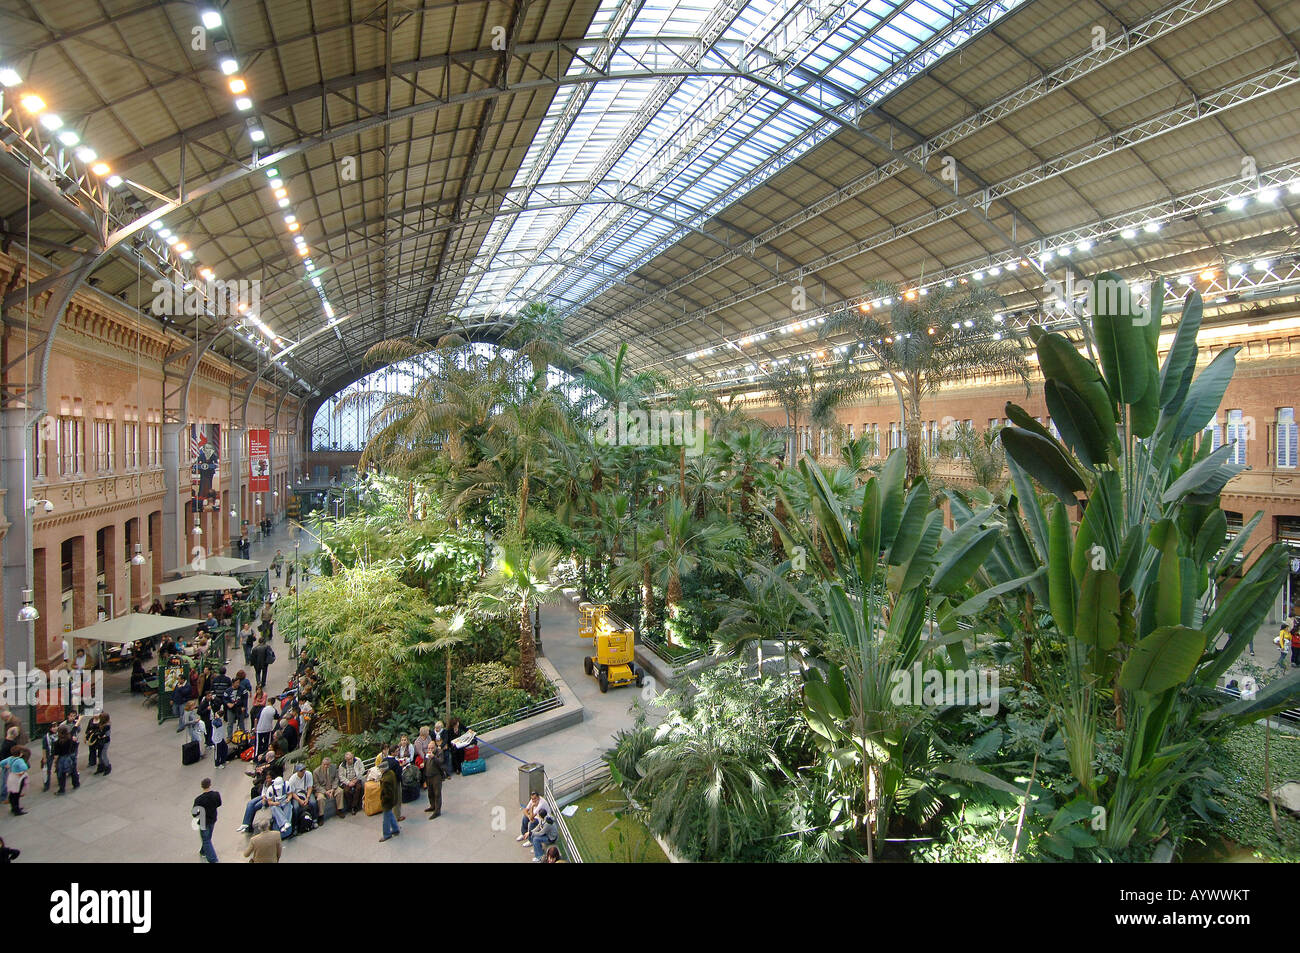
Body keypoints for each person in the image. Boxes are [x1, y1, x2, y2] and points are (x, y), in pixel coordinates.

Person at [193, 777, 221, 863]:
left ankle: (213, 860)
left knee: (206, 839)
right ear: (210, 785)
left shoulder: (199, 799)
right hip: (213, 818)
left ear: (202, 786)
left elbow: (194, 813)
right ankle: (203, 851)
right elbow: (219, 804)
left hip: (203, 821)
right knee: (208, 837)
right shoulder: (216, 794)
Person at [286, 762, 316, 832]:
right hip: (297, 795)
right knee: (296, 807)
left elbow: (310, 787)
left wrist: (307, 798)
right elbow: (292, 792)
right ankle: (296, 825)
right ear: (297, 771)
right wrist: (299, 800)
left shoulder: (308, 774)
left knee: (313, 803)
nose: (303, 772)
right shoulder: (292, 779)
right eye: (301, 771)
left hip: (306, 793)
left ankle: (314, 820)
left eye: (304, 770)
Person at [313, 757, 342, 822]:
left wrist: (333, 789)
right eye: (324, 764)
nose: (326, 766)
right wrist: (325, 792)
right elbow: (316, 785)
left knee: (340, 791)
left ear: (330, 764)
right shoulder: (316, 772)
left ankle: (339, 810)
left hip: (332, 787)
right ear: (322, 764)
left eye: (327, 765)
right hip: (322, 789)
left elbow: (336, 779)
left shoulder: (333, 767)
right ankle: (321, 816)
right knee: (320, 798)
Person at [378, 761, 401, 842]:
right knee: (390, 815)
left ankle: (386, 834)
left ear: (383, 769)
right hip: (393, 799)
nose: (379, 770)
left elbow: (388, 793)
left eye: (380, 769)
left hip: (387, 802)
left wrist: (383, 800)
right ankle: (395, 829)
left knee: (386, 819)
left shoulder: (386, 780)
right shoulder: (391, 773)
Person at [337, 751, 365, 816]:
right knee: (346, 791)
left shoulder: (358, 760)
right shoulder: (342, 765)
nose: (350, 760)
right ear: (346, 760)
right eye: (348, 759)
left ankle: (354, 807)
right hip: (347, 780)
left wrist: (356, 779)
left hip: (356, 778)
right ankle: (350, 806)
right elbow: (341, 776)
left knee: (358, 788)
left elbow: (362, 769)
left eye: (351, 758)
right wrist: (348, 782)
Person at [52, 726, 79, 794]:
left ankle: (62, 789)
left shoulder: (57, 742)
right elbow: (75, 746)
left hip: (62, 759)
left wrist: (55, 762)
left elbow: (56, 754)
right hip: (71, 756)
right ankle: (76, 784)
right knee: (73, 771)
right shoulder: (71, 739)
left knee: (61, 774)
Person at [423, 746, 448, 819]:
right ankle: (432, 806)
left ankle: (437, 811)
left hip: (436, 776)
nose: (430, 749)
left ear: (435, 748)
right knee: (430, 793)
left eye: (432, 748)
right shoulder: (427, 754)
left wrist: (434, 757)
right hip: (428, 776)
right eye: (429, 748)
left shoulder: (439, 752)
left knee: (437, 793)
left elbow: (441, 761)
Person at [5, 751, 29, 816]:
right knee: (16, 794)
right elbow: (25, 768)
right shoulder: (19, 760)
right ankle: (16, 810)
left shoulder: (10, 759)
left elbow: (2, 763)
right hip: (18, 778)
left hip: (11, 777)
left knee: (12, 793)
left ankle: (13, 808)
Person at [39, 723, 57, 792]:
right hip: (49, 755)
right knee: (47, 770)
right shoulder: (46, 737)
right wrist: (44, 758)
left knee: (58, 768)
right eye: (53, 727)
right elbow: (44, 748)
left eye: (56, 726)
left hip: (57, 754)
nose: (55, 728)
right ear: (50, 728)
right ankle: (46, 785)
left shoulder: (59, 734)